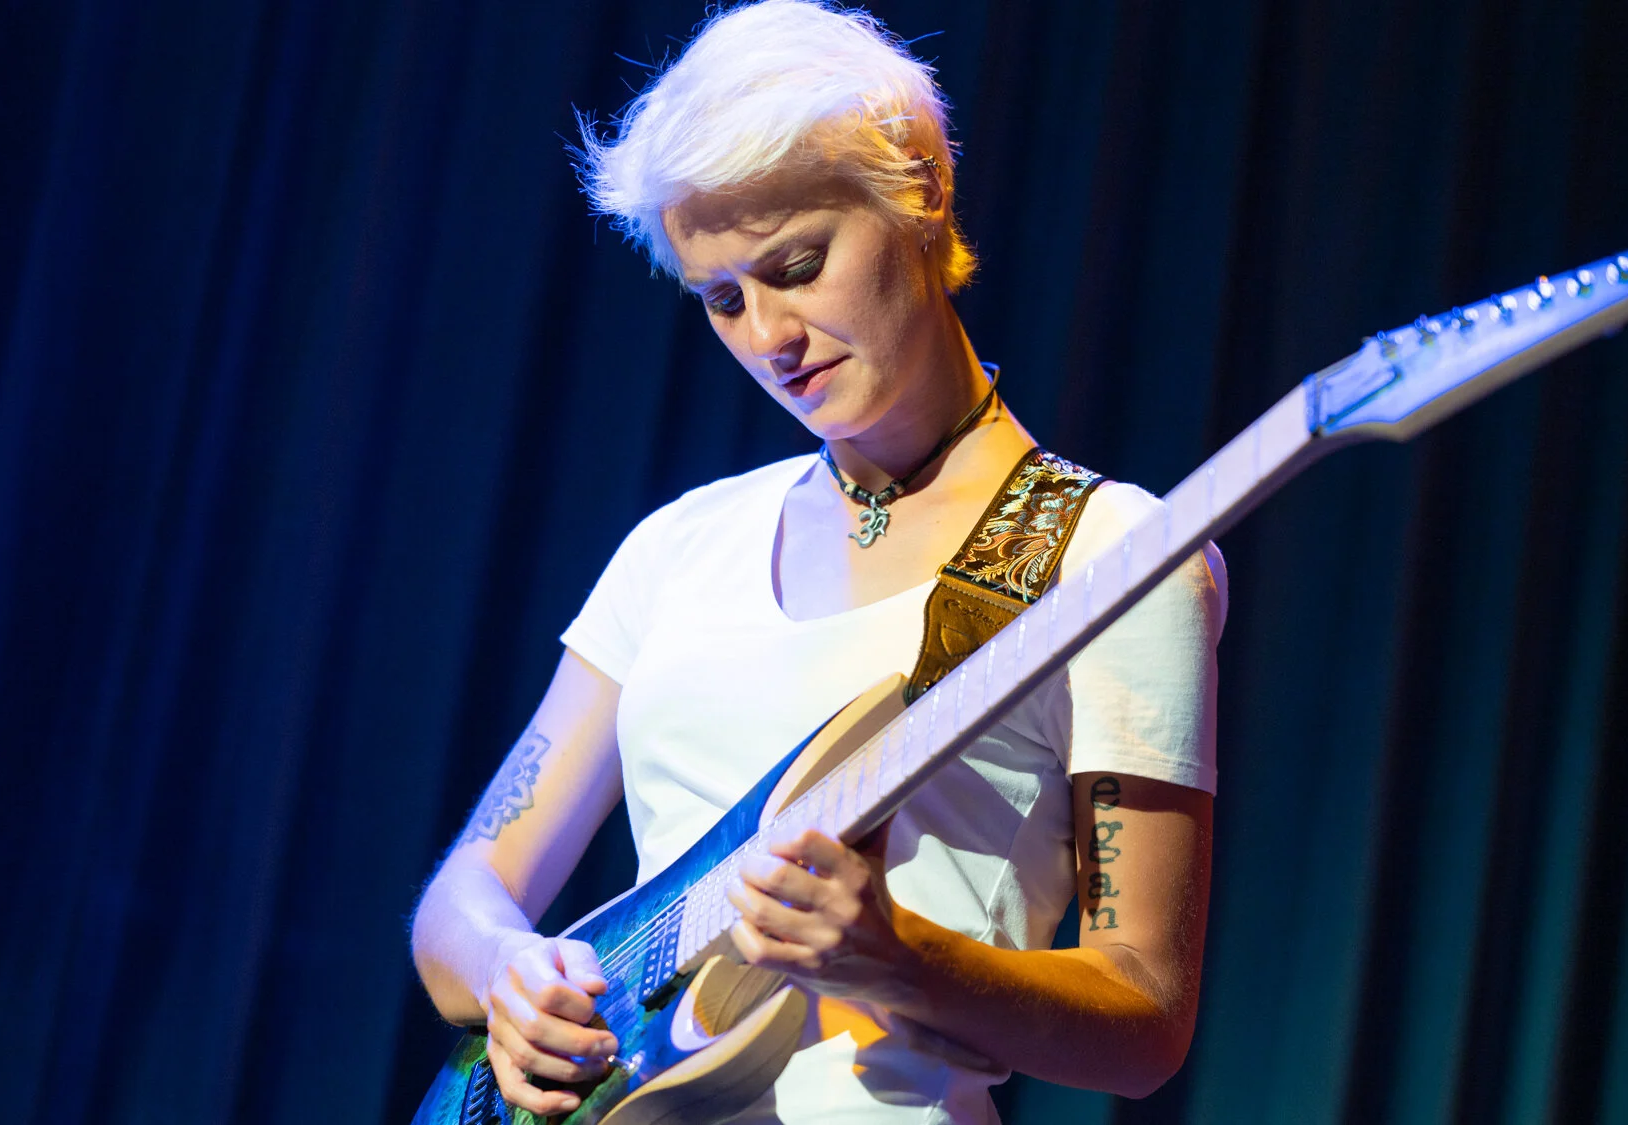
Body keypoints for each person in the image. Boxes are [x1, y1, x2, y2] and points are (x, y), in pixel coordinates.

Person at [410, 2, 1227, 1120]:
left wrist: (896, 955)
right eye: (722, 299)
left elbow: (1144, 1019)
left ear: (919, 191)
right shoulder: (681, 544)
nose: (768, 338)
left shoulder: (1114, 551)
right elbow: (463, 896)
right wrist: (510, 970)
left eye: (797, 265)